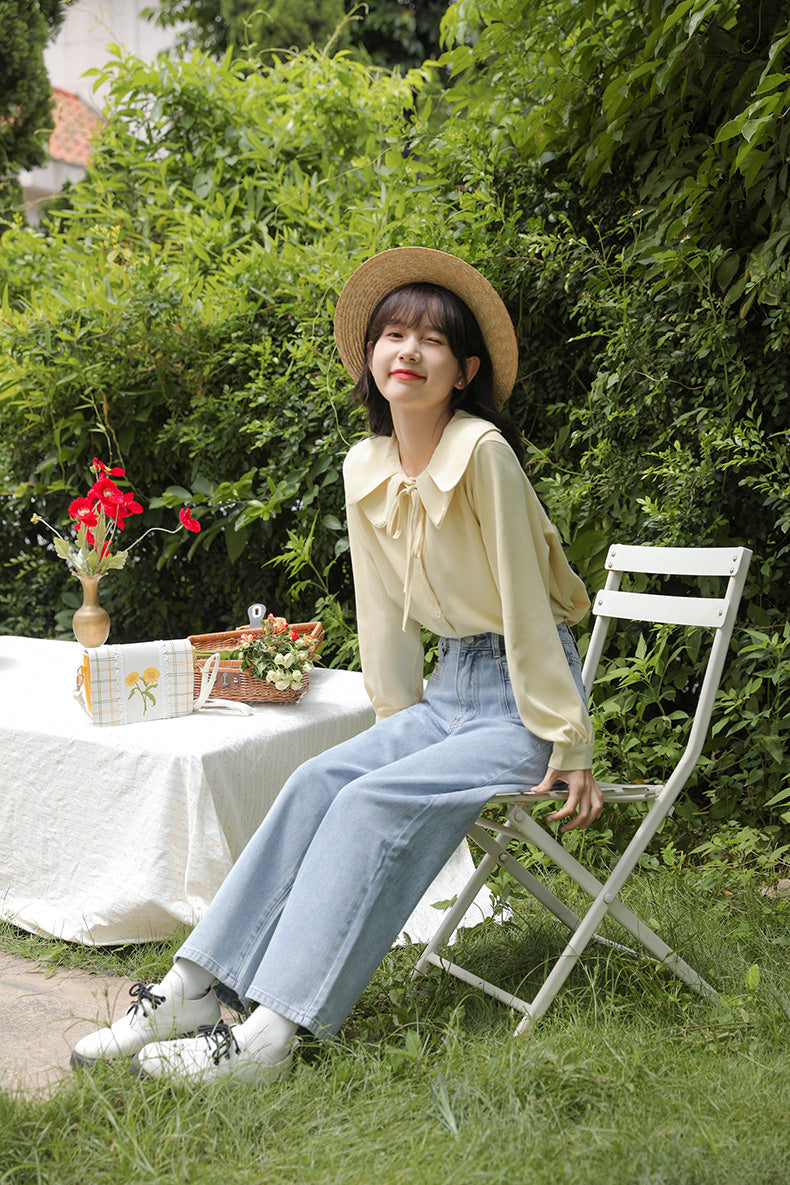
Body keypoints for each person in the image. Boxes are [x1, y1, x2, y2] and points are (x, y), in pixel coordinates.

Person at [70, 246, 601, 1085]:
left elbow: (531, 611)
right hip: (448, 697)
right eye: (393, 333)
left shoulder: (482, 450)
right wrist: (398, 728)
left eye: (431, 341)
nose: (408, 350)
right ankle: (194, 988)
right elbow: (382, 614)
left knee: (368, 800)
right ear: (370, 358)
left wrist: (568, 738)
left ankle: (269, 1037)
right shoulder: (367, 465)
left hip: (521, 704)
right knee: (319, 780)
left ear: (464, 371)